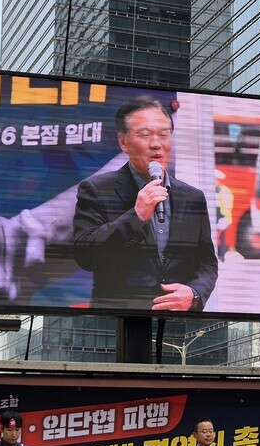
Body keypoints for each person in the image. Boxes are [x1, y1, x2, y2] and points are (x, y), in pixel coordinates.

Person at [72, 96, 218, 311]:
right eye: (145, 135)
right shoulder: (96, 189)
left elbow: (207, 262)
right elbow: (85, 256)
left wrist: (195, 293)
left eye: (164, 134)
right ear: (123, 142)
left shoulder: (193, 197)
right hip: (116, 320)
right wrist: (136, 216)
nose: (156, 144)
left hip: (177, 321)